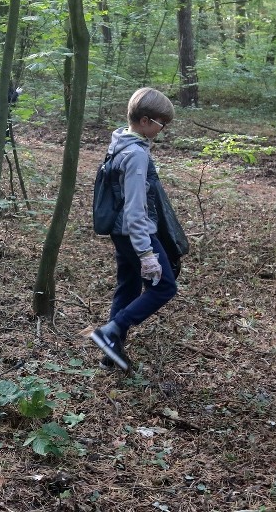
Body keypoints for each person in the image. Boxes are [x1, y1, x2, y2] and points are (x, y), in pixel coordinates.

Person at [89, 88, 178, 372]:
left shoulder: (119, 142)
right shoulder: (136, 155)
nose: (162, 130)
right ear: (144, 120)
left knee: (127, 286)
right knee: (164, 287)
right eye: (161, 124)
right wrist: (146, 252)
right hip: (135, 232)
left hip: (121, 232)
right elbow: (135, 208)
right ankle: (111, 330)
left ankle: (109, 354)